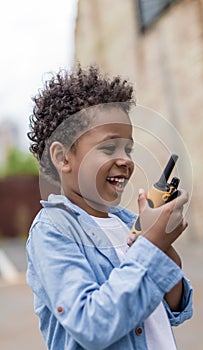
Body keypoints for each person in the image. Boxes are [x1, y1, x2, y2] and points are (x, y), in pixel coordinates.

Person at [26, 64, 193, 350]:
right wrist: (151, 247)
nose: (126, 160)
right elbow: (92, 325)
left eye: (127, 149)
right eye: (108, 148)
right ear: (63, 157)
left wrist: (163, 245)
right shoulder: (52, 231)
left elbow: (175, 308)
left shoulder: (128, 222)